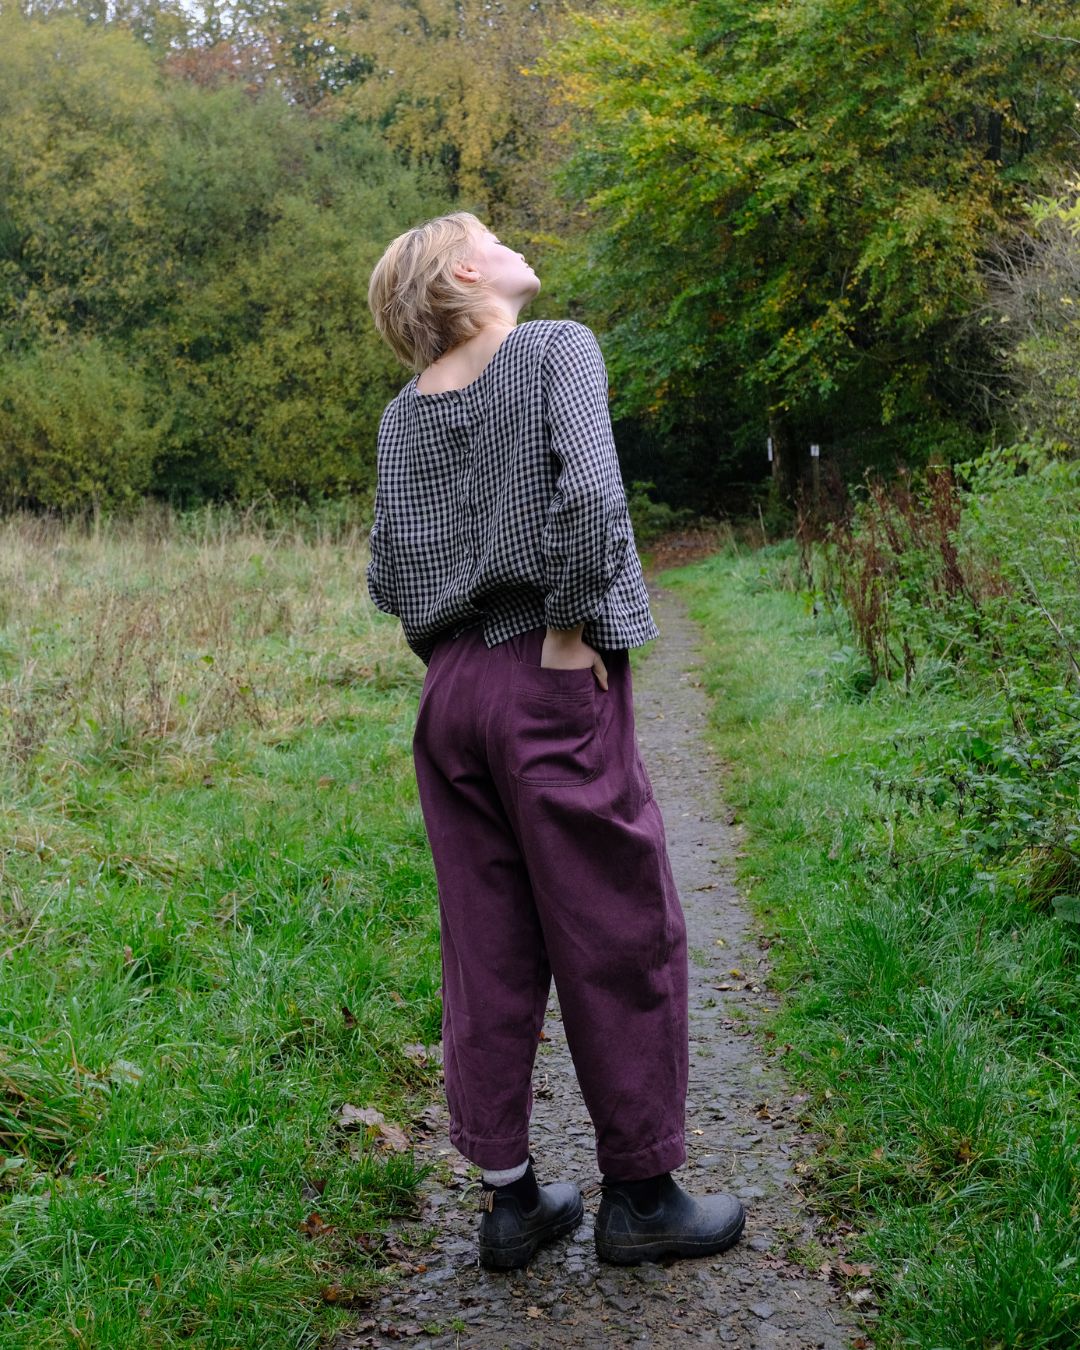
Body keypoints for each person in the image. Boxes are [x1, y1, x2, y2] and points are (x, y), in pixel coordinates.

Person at [366, 212, 745, 1271]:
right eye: (497, 234)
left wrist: (454, 663)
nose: (518, 244)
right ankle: (642, 1195)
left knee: (485, 940)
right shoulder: (554, 348)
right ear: (462, 271)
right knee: (618, 926)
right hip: (548, 668)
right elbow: (593, 497)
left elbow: (389, 573)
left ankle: (513, 1202)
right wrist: (569, 638)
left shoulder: (402, 415)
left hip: (448, 694)